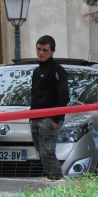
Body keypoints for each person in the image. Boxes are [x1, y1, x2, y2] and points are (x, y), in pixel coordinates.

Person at [29, 34, 69, 180]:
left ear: (52, 51)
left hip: (49, 118)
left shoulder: (58, 70)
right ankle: (51, 179)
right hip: (35, 117)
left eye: (45, 50)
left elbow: (63, 96)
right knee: (41, 152)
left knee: (47, 152)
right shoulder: (37, 71)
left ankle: (57, 182)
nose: (41, 52)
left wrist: (56, 118)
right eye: (38, 49)